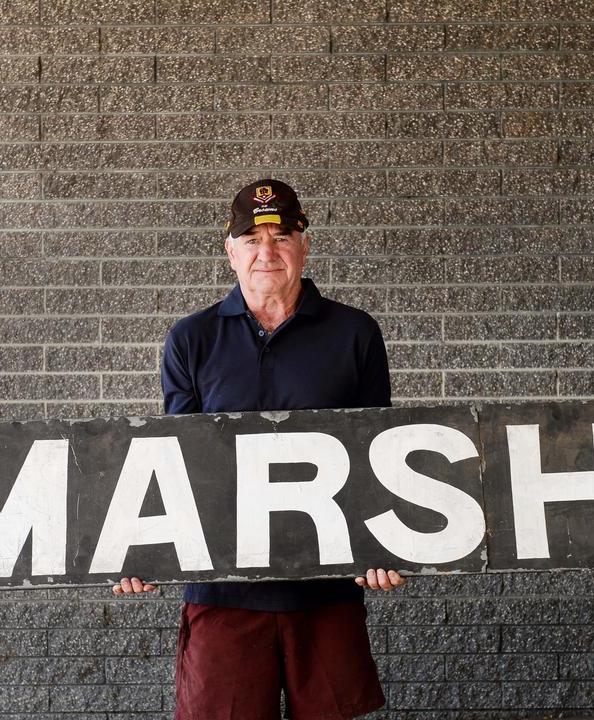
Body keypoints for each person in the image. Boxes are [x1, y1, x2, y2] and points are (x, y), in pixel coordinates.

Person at [113, 179, 406, 720]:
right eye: (250, 239)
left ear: (304, 244)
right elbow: (177, 462)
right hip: (222, 593)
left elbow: (377, 457)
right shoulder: (191, 339)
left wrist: (381, 548)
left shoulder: (356, 334)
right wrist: (134, 546)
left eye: (281, 236)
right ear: (230, 250)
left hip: (326, 592)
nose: (266, 252)